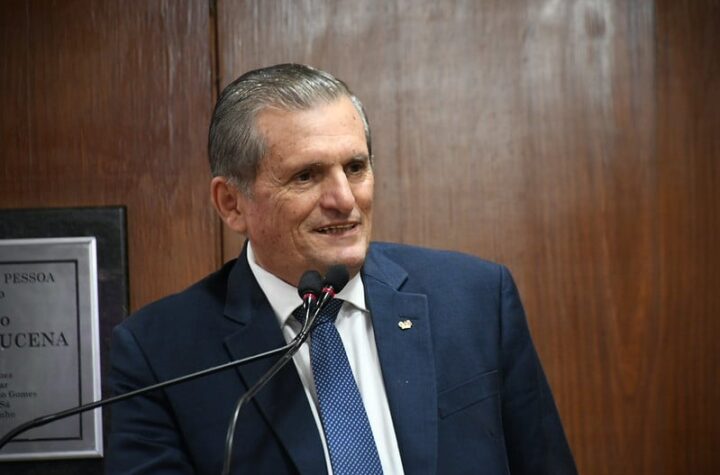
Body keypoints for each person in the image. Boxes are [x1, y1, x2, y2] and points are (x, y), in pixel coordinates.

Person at [107, 64, 577, 474]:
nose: (345, 200)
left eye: (355, 167)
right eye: (306, 176)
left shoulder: (475, 300)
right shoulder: (158, 356)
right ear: (231, 203)